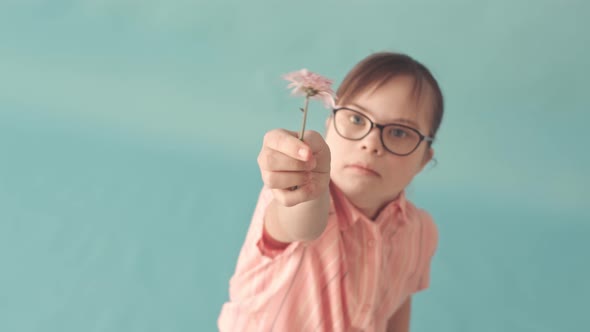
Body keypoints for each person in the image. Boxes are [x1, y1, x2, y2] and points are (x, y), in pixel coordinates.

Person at [218, 52, 444, 332]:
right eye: (357, 120)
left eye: (399, 133)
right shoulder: (301, 193)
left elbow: (397, 304)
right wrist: (299, 182)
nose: (371, 143)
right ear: (329, 126)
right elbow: (300, 219)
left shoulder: (420, 231)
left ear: (424, 159)